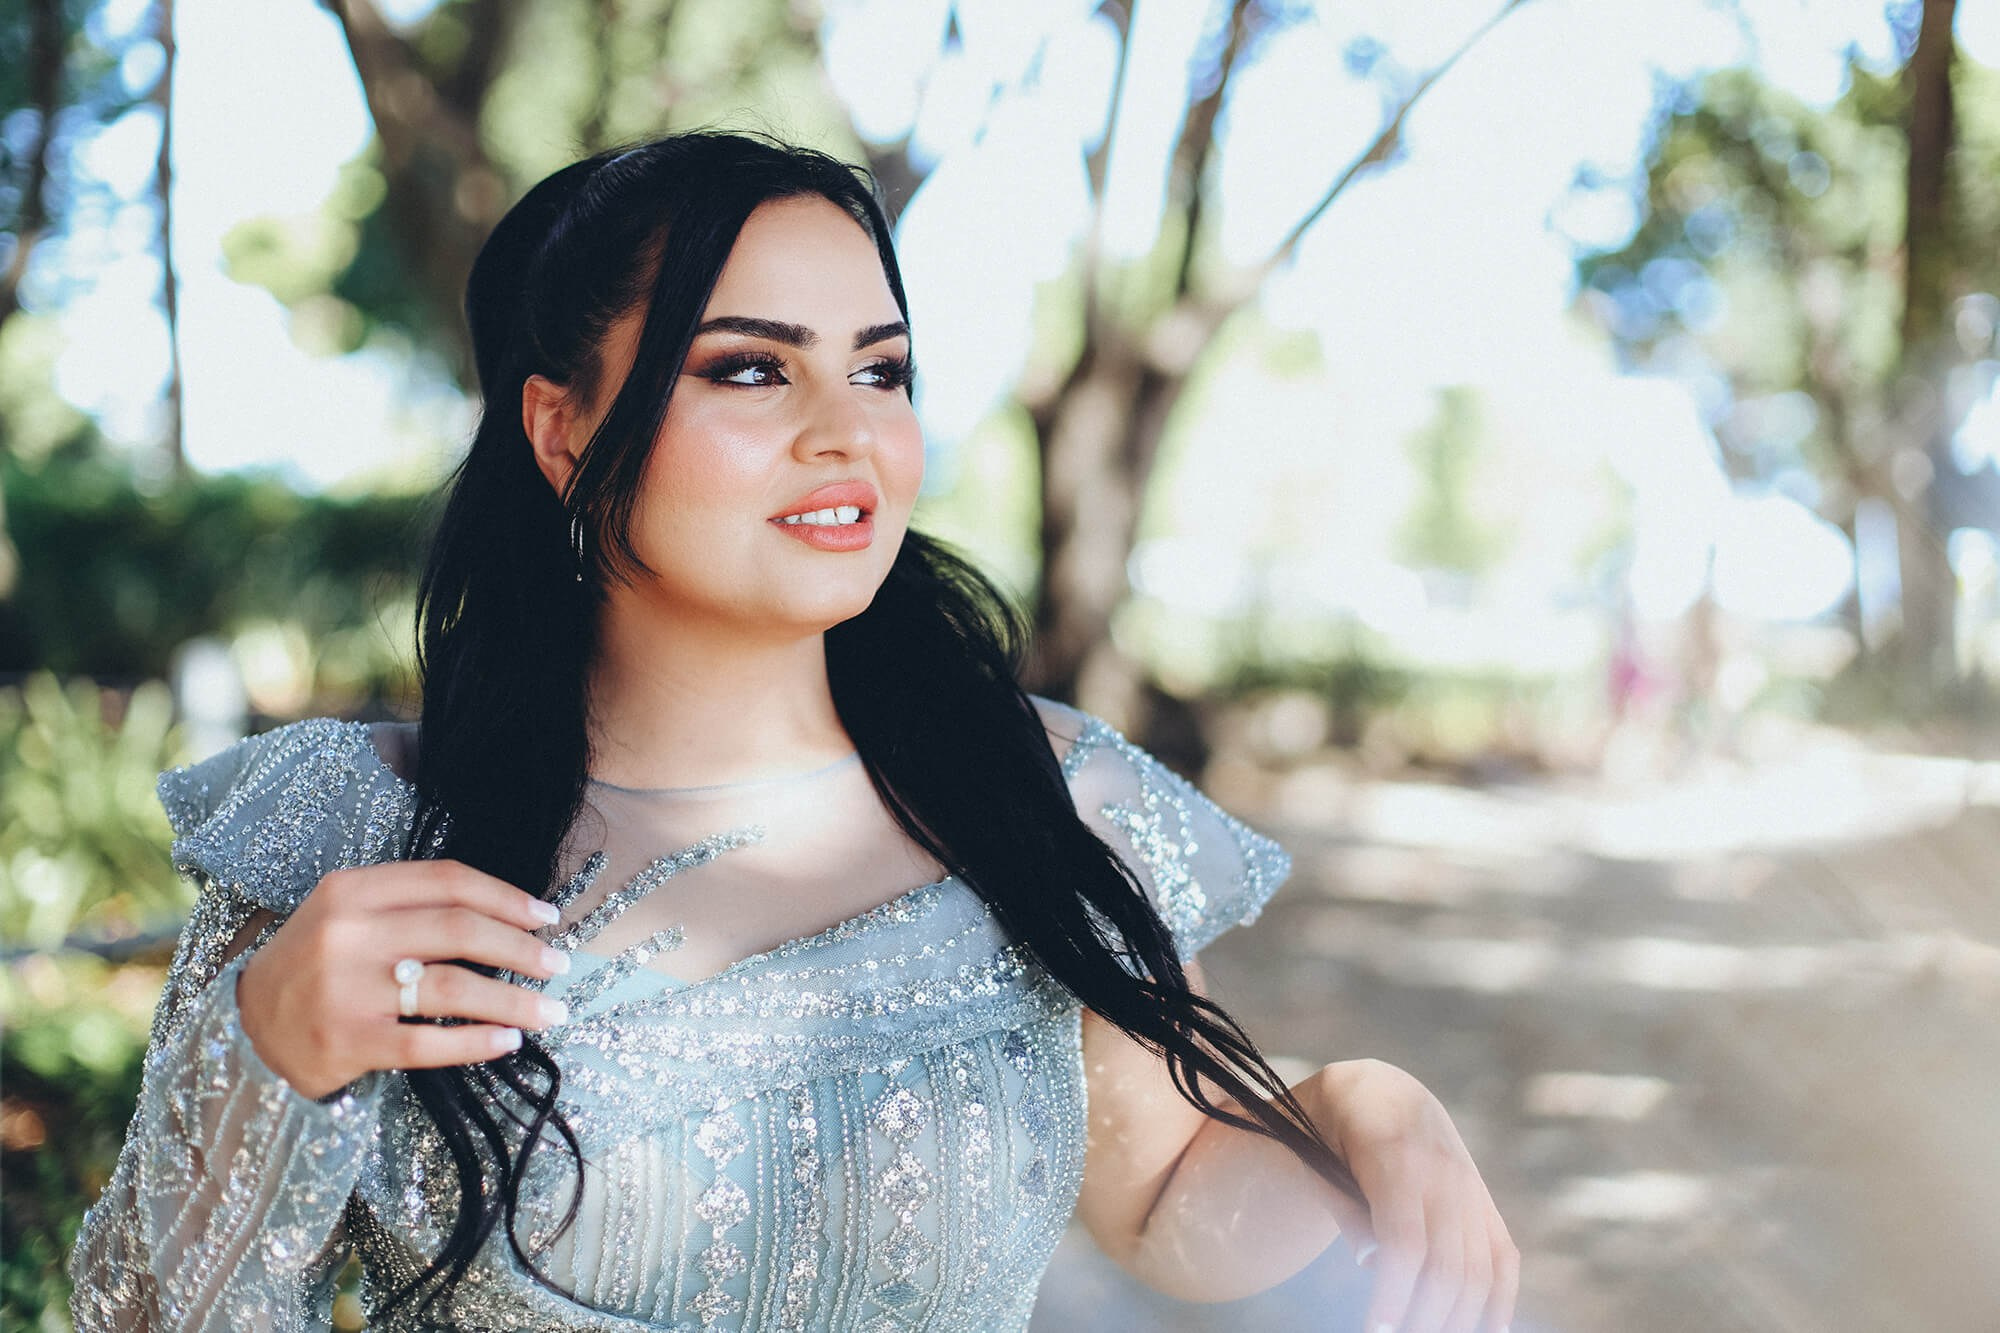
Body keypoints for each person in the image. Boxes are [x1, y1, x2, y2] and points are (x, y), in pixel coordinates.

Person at [67, 130, 1517, 1333]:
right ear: (563, 432)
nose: (847, 429)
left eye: (882, 369)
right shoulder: (359, 835)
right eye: (752, 367)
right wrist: (267, 1056)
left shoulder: (1036, 792)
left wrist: (1357, 1113)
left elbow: (1165, 1191)